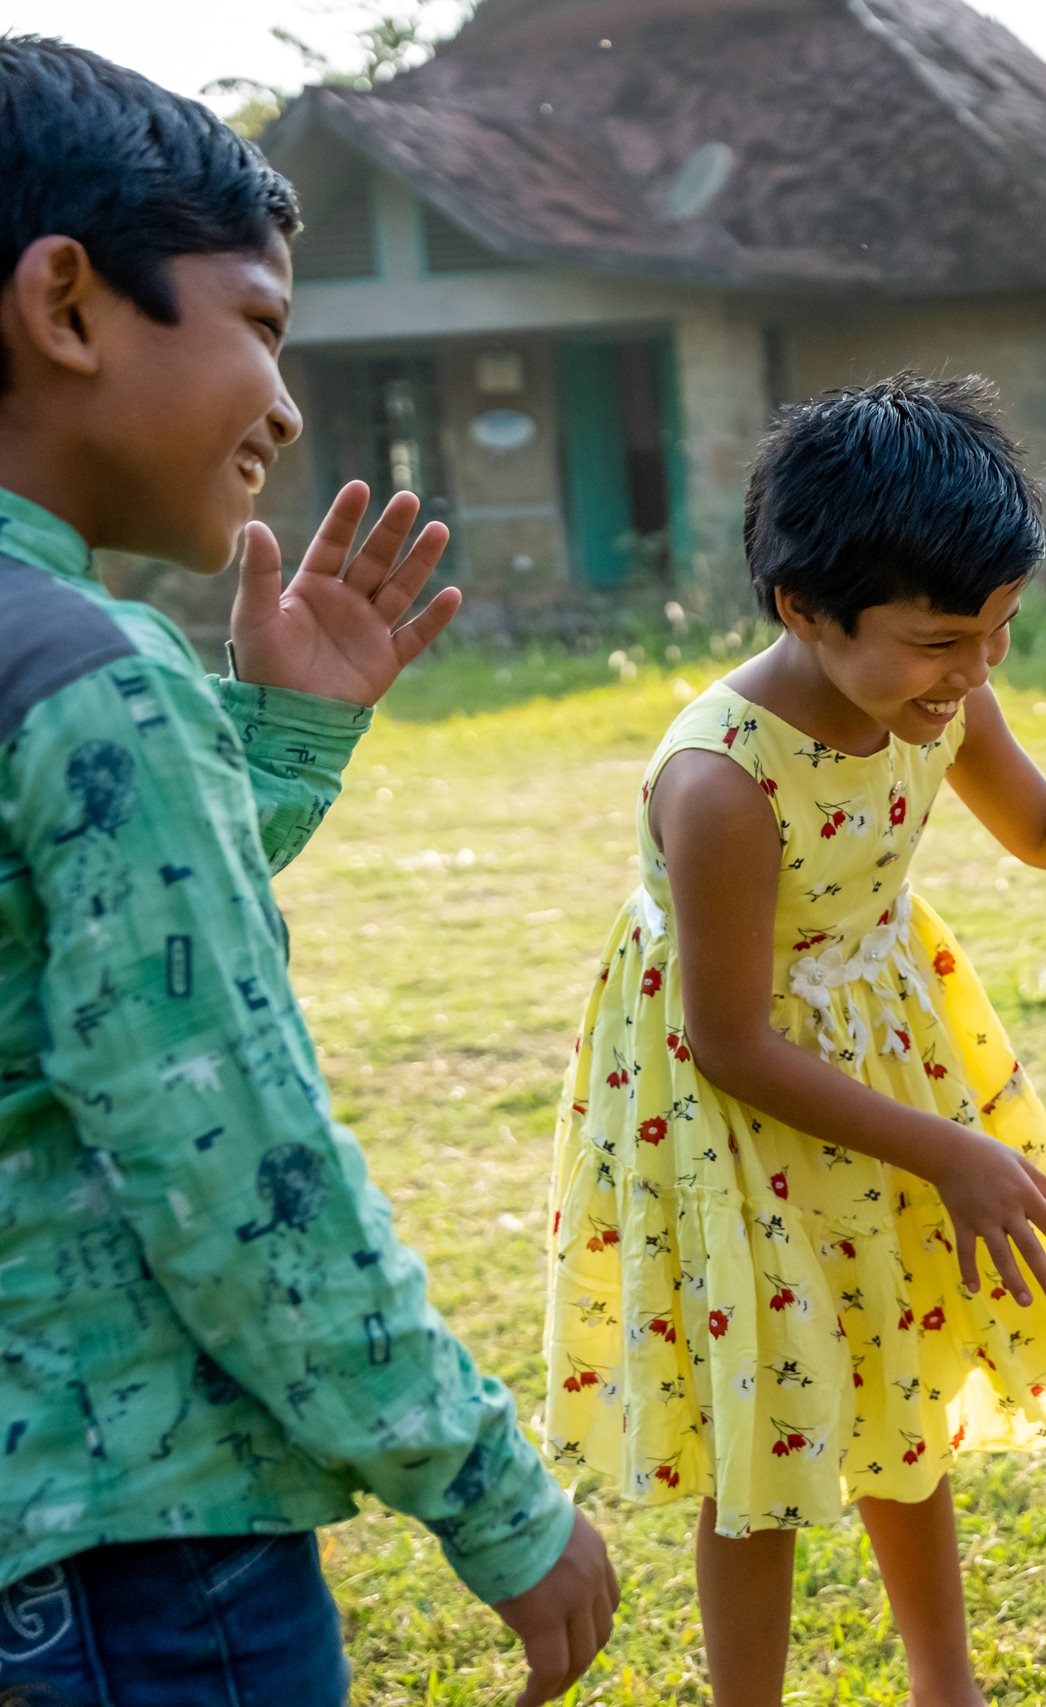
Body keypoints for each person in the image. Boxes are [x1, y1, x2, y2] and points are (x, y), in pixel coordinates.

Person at [540, 372, 1046, 1707]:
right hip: (741, 1117)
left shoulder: (938, 695)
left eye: (998, 631)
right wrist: (952, 1157)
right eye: (939, 640)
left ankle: (945, 1688)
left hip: (887, 1059)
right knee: (772, 1417)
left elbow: (1044, 829)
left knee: (898, 1375)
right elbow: (731, 1042)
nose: (973, 671)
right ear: (805, 609)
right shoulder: (722, 781)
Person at [0, 38, 617, 1707]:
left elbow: (47, 976)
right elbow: (231, 1161)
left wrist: (264, 756)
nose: (283, 402)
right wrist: (493, 1490)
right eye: (260, 324)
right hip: (135, 1564)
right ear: (66, 305)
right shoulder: (85, 675)